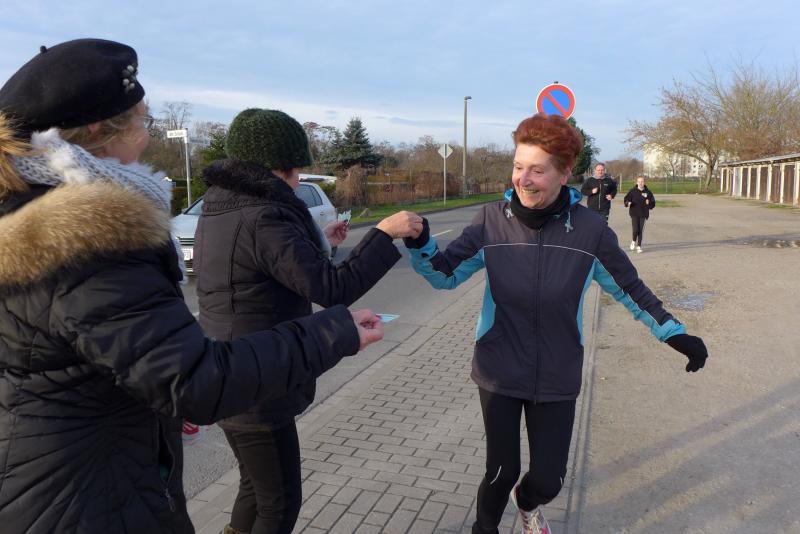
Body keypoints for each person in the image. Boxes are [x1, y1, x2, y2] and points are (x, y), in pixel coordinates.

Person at [0, 38, 384, 534]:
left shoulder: (23, 214)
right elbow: (194, 382)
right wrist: (332, 331)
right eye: (142, 121)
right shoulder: (85, 239)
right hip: (83, 499)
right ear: (99, 131)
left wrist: (151, 397)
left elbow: (75, 356)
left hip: (53, 474)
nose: (147, 136)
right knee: (275, 504)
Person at [403, 113, 708, 534]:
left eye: (537, 170)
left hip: (558, 370)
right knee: (500, 472)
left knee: (550, 480)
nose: (523, 180)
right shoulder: (491, 222)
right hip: (498, 366)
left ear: (565, 174)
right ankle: (484, 529)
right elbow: (444, 275)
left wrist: (674, 333)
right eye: (518, 167)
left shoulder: (590, 231)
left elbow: (630, 289)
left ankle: (528, 503)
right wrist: (422, 244)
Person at [192, 107, 423, 534]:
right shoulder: (264, 215)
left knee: (253, 489)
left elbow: (272, 272)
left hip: (230, 371)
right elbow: (333, 289)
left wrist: (320, 242)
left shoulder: (221, 208)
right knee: (279, 505)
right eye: (295, 171)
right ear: (275, 169)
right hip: (259, 380)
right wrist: (384, 233)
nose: (298, 182)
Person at [623, 175, 656, 253]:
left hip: (643, 214)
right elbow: (626, 199)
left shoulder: (648, 192)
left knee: (640, 230)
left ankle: (639, 246)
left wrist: (649, 203)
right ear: (637, 182)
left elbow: (653, 203)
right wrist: (628, 203)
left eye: (642, 181)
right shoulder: (632, 191)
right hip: (634, 213)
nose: (641, 183)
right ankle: (633, 241)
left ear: (644, 182)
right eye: (639, 181)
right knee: (635, 230)